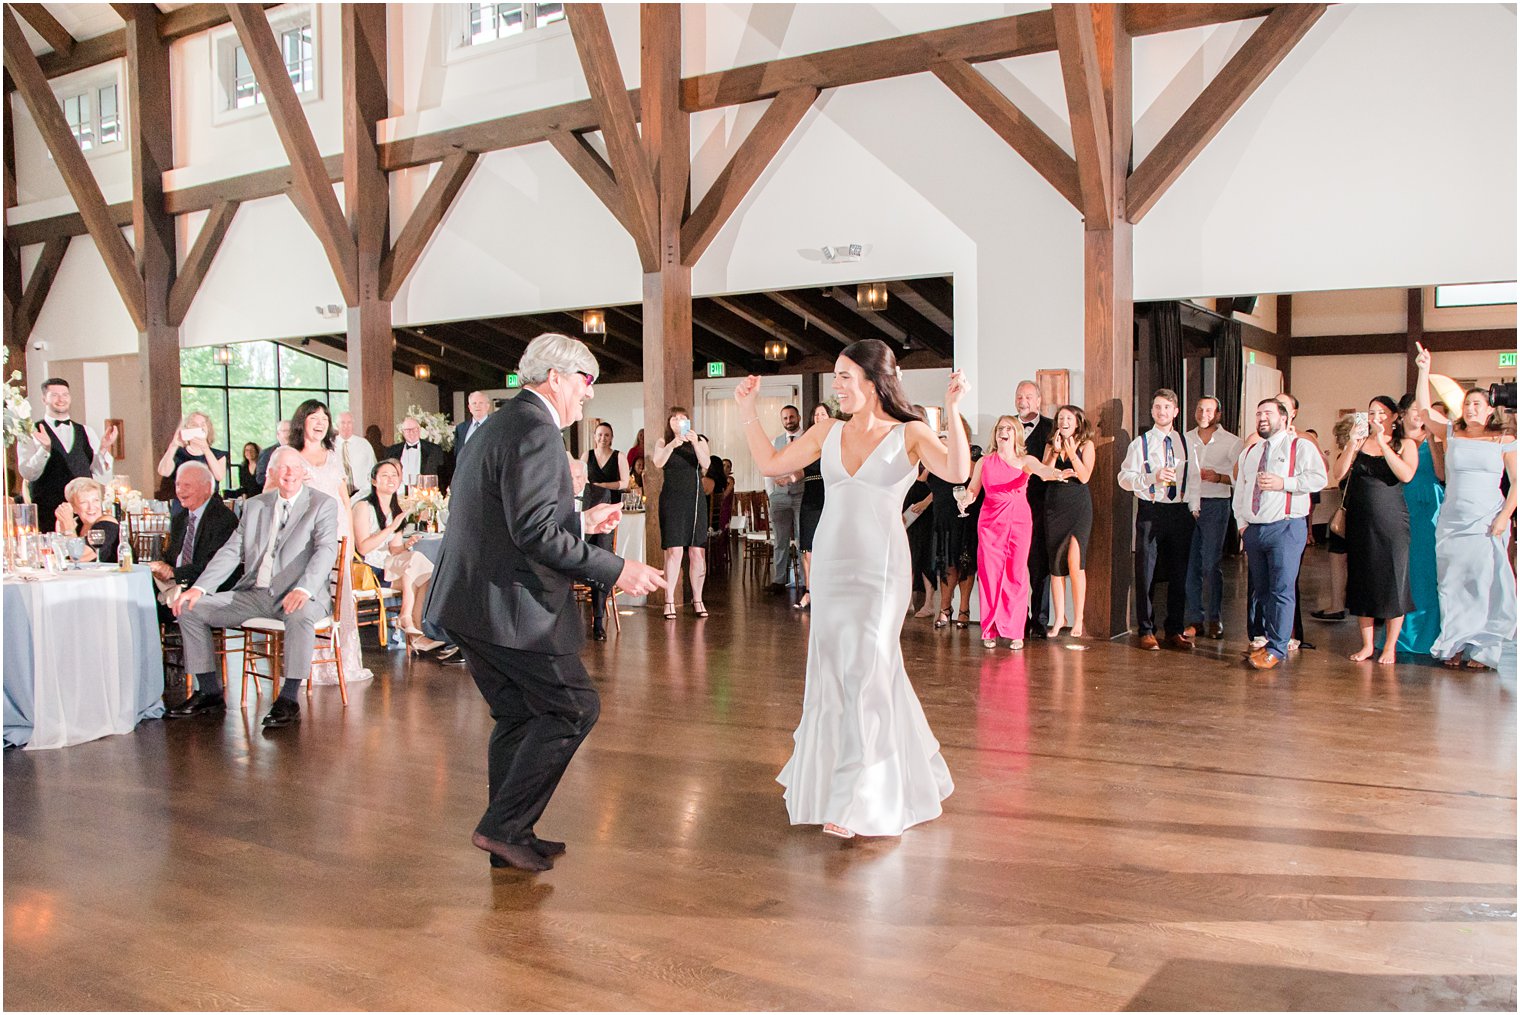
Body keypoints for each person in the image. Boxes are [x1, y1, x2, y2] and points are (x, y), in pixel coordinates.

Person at [423, 333, 665, 872]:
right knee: (572, 707)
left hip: (472, 602)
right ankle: (501, 827)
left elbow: (505, 519)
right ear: (555, 377)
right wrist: (619, 568)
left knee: (517, 715)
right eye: (585, 383)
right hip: (508, 608)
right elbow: (533, 533)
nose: (588, 396)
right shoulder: (535, 430)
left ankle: (511, 836)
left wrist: (579, 522)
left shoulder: (500, 425)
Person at [736, 338, 969, 839]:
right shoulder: (828, 431)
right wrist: (748, 412)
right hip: (834, 568)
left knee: (868, 670)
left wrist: (952, 411)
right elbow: (773, 468)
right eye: (836, 377)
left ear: (873, 380)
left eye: (844, 376)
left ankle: (862, 796)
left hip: (881, 569)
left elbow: (958, 470)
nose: (837, 386)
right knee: (839, 673)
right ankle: (850, 784)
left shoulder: (910, 432)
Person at [169, 446, 341, 727]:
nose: (288, 473)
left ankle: (289, 698)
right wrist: (200, 588)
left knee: (299, 615)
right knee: (190, 608)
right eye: (282, 468)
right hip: (255, 594)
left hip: (301, 594)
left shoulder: (322, 504)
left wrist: (305, 589)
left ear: (303, 473)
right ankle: (210, 692)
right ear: (271, 473)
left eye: (294, 467)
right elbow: (231, 551)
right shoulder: (255, 505)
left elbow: (325, 551)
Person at [1419, 357, 1517, 670]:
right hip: (1452, 520)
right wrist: (1423, 370)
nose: (1472, 408)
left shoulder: (1505, 438)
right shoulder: (1451, 432)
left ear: (1491, 409)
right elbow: (1423, 411)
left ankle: (1483, 649)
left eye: (1478, 404)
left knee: (1483, 584)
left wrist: (1504, 517)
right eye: (1468, 403)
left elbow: (1517, 483)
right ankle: (1455, 644)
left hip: (1487, 521)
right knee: (1451, 585)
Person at [279, 398, 371, 686]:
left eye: (323, 418)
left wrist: (352, 539)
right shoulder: (290, 455)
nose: (320, 423)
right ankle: (310, 664)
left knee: (340, 598)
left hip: (339, 533)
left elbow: (344, 498)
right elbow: (275, 495)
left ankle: (343, 661)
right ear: (302, 422)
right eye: (313, 418)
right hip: (307, 537)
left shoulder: (333, 455)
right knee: (312, 594)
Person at [1234, 398, 1327, 670]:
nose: (1262, 418)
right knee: (1262, 591)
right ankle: (1268, 641)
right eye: (1258, 413)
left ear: (1284, 418)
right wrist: (1241, 525)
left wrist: (1283, 483)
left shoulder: (1300, 446)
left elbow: (1318, 478)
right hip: (1254, 530)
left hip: (1286, 527)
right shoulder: (1251, 451)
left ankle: (1277, 647)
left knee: (1282, 589)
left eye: (1268, 413)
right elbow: (1241, 490)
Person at [960, 414, 1065, 650]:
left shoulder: (1025, 459)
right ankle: (990, 629)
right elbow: (972, 490)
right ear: (995, 435)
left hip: (1018, 523)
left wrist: (1056, 473)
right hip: (989, 524)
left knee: (1016, 575)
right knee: (989, 576)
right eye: (999, 429)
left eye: (1008, 428)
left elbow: (1042, 470)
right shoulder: (984, 462)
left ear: (1016, 433)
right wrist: (965, 500)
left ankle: (1016, 630)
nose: (1002, 432)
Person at [1334, 396, 1417, 664]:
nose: (1376, 417)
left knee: (1394, 580)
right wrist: (1351, 444)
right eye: (1371, 412)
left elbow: (1405, 475)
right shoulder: (1358, 443)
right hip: (1360, 522)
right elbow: (1338, 473)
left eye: (1382, 413)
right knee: (1362, 580)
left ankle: (1390, 646)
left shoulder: (1405, 444)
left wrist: (1383, 442)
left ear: (1394, 417)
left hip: (1392, 522)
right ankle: (1367, 644)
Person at [1118, 388, 1201, 650]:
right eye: (1157, 407)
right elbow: (1124, 478)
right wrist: (1151, 478)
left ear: (1175, 411)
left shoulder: (1187, 442)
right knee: (1146, 572)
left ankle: (1174, 629)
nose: (1161, 411)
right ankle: (1146, 629)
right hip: (1151, 510)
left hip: (1179, 511)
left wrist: (1194, 507)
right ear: (1152, 411)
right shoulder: (1140, 443)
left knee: (1179, 573)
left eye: (1166, 407)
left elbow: (1195, 477)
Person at [353, 459, 437, 652]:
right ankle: (408, 621)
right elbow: (363, 548)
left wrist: (407, 545)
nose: (390, 479)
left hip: (389, 566)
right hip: (369, 569)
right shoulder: (363, 507)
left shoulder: (395, 509)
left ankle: (414, 630)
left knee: (423, 574)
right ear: (374, 481)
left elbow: (395, 550)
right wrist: (391, 527)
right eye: (385, 475)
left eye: (394, 475)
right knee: (416, 567)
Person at [17, 377, 117, 532]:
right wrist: (45, 449)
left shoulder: (86, 431)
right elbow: (28, 473)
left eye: (65, 394)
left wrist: (103, 448)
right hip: (48, 514)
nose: (61, 399)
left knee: (86, 554)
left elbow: (100, 472)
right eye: (55, 395)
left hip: (84, 517)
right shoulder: (30, 432)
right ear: (44, 399)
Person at [150, 462, 240, 623]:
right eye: (178, 485)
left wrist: (174, 573)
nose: (180, 491)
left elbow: (213, 565)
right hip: (177, 582)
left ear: (207, 488)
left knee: (148, 602)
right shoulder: (181, 518)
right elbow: (172, 557)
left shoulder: (222, 518)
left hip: (208, 586)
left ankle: (171, 641)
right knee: (139, 592)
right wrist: (161, 566)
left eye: (187, 485)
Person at [1389, 395, 1443, 657]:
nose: (1421, 415)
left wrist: (1432, 440)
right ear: (1402, 413)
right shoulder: (1394, 441)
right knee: (1402, 570)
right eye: (1415, 410)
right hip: (1399, 503)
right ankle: (1398, 632)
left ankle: (1429, 632)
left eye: (1425, 411)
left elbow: (1442, 474)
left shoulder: (1436, 440)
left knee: (1425, 570)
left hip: (1427, 506)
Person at [1184, 396, 1241, 640]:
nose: (1203, 413)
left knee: (1210, 564)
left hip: (1216, 505)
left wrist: (1219, 477)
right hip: (1187, 505)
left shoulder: (1232, 442)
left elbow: (1241, 478)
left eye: (1209, 410)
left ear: (1218, 414)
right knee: (1190, 566)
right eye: (1199, 409)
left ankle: (1215, 618)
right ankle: (1195, 619)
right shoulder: (1184, 439)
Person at [650, 407, 713, 620]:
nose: (679, 422)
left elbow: (706, 464)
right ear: (669, 423)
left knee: (697, 552)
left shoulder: (700, 440)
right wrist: (671, 444)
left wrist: (694, 442)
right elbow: (658, 462)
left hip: (694, 500)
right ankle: (669, 600)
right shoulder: (663, 442)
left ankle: (698, 599)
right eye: (675, 419)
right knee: (674, 551)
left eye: (683, 418)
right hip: (672, 500)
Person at [1043, 405, 1096, 638]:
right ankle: (1059, 618)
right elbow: (1044, 474)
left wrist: (1072, 453)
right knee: (1055, 564)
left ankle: (1079, 619)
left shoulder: (1087, 445)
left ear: (1077, 422)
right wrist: (1055, 455)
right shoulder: (1050, 444)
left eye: (1068, 418)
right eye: (1060, 418)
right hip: (1054, 506)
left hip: (1078, 508)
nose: (1064, 421)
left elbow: (1084, 477)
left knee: (1075, 563)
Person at [1013, 380, 1054, 638]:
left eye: (1028, 396)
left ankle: (1039, 619)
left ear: (1038, 401)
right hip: (1011, 505)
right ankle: (1016, 616)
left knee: (1039, 563)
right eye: (1019, 396)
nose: (1023, 400)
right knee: (1014, 564)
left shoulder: (1051, 428)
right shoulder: (1007, 427)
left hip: (1041, 504)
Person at [1312, 414, 1357, 622]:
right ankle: (1342, 604)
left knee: (1339, 559)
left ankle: (1338, 605)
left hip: (1351, 515)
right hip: (1357, 515)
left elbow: (1338, 476)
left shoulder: (1348, 456)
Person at [570, 455, 617, 641]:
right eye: (570, 478)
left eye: (578, 477)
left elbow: (604, 535)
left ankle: (598, 621)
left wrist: (597, 557)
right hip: (564, 549)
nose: (574, 482)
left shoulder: (599, 494)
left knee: (601, 563)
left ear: (586, 477)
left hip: (590, 548)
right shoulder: (556, 493)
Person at [795, 404, 833, 610]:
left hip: (830, 495)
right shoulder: (807, 441)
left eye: (823, 414)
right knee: (807, 548)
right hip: (810, 494)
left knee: (828, 547)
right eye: (816, 414)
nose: (819, 417)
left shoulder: (837, 439)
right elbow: (800, 469)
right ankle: (809, 592)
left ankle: (827, 591)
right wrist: (790, 476)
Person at [765, 405, 806, 595]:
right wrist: (771, 493)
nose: (789, 421)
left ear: (798, 417)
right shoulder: (776, 441)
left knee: (802, 540)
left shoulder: (807, 438)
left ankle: (806, 582)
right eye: (785, 418)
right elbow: (769, 468)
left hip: (801, 495)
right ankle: (779, 580)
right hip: (779, 497)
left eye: (791, 417)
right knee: (780, 540)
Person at [155, 411, 229, 503]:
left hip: (210, 505)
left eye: (203, 424)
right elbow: (163, 471)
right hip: (183, 505)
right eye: (195, 425)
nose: (200, 428)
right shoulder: (177, 453)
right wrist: (173, 445)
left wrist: (205, 448)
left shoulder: (218, 454)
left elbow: (219, 476)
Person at [54, 477, 120, 563]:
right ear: (73, 508)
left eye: (96, 500)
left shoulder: (108, 523)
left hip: (116, 575)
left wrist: (68, 526)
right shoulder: (77, 524)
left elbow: (78, 556)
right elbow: (61, 555)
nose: (91, 507)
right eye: (84, 502)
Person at [384, 416, 448, 489]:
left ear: (419, 430)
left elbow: (443, 475)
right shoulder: (391, 451)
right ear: (402, 432)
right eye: (408, 430)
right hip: (399, 493)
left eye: (414, 429)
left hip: (425, 494)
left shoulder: (434, 450)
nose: (411, 433)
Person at [334, 411, 378, 500]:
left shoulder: (364, 444)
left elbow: (374, 469)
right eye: (343, 423)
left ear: (353, 424)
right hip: (338, 495)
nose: (346, 426)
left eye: (349, 423)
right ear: (337, 425)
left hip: (362, 495)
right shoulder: (330, 446)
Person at [583, 421, 629, 495]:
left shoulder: (620, 456)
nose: (603, 438)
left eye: (607, 435)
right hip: (592, 500)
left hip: (614, 501)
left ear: (611, 438)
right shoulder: (586, 455)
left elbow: (625, 483)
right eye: (600, 435)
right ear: (595, 436)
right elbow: (581, 478)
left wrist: (603, 486)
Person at [253, 420, 291, 490]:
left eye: (291, 430)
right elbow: (260, 478)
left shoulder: (300, 451)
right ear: (278, 434)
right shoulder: (267, 453)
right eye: (285, 431)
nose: (289, 434)